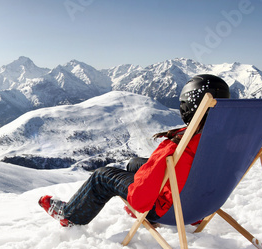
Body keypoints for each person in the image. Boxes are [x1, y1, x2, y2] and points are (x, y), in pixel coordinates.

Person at [38, 74, 230, 227]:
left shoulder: (179, 143)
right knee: (134, 164)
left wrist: (133, 198)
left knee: (102, 176)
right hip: (200, 205)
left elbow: (140, 198)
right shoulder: (225, 139)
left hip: (172, 210)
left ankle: (70, 216)